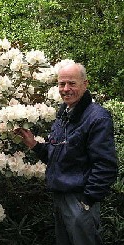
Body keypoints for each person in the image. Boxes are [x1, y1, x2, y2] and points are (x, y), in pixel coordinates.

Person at [14, 63, 118, 245]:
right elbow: (59, 156)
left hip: (80, 201)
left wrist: (87, 201)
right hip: (60, 198)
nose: (66, 89)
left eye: (72, 83)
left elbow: (106, 165)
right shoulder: (64, 115)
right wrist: (35, 145)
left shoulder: (97, 117)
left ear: (85, 84)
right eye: (62, 84)